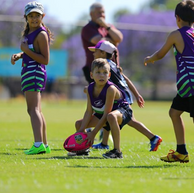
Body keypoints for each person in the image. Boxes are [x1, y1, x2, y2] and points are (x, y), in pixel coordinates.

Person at [144, 0, 194, 163]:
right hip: (187, 87)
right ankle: (181, 152)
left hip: (190, 85)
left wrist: (150, 59)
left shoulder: (176, 34)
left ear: (177, 18)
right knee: (174, 112)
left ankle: (182, 152)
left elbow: (160, 54)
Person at [89, 40, 162, 151]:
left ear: (103, 53)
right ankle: (104, 143)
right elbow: (126, 79)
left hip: (121, 98)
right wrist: (136, 95)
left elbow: (122, 81)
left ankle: (153, 137)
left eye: (96, 51)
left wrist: (136, 95)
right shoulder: (112, 64)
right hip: (123, 96)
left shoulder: (105, 66)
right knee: (109, 115)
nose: (94, 54)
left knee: (128, 120)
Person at [11, 1, 53, 155]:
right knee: (37, 110)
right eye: (31, 15)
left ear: (43, 16)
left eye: (37, 15)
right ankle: (45, 144)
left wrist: (24, 51)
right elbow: (31, 51)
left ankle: (38, 144)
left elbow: (45, 59)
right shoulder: (30, 33)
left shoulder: (41, 34)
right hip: (30, 71)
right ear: (26, 17)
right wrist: (20, 54)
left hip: (34, 71)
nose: (34, 18)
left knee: (32, 109)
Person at [77, 58, 133, 158]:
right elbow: (89, 111)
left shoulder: (110, 89)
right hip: (104, 115)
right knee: (79, 124)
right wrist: (81, 130)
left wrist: (94, 133)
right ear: (91, 75)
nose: (102, 75)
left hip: (122, 111)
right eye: (98, 72)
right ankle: (83, 148)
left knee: (111, 116)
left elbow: (107, 113)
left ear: (109, 75)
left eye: (105, 72)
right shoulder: (89, 88)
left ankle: (117, 151)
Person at [81, 2, 123, 84]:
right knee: (98, 95)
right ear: (91, 14)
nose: (102, 15)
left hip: (111, 68)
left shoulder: (107, 26)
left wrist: (106, 26)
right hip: (96, 69)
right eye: (99, 13)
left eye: (103, 12)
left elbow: (119, 38)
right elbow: (101, 42)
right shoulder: (87, 28)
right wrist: (113, 40)